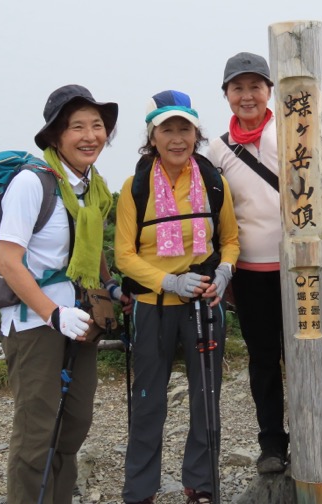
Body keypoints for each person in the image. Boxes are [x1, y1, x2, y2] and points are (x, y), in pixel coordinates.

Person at [0, 84, 123, 503]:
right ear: (55, 135)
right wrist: (54, 314)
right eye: (77, 127)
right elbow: (8, 262)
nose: (91, 136)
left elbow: (87, 246)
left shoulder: (92, 187)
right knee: (37, 432)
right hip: (35, 324)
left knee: (73, 427)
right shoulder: (31, 183)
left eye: (97, 126)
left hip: (81, 320)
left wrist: (110, 285)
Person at [115, 90, 240, 504]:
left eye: (184, 129)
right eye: (166, 129)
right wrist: (169, 282)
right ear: (152, 137)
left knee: (206, 399)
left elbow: (230, 240)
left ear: (195, 134)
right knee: (148, 401)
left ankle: (200, 485)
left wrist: (223, 272)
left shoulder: (213, 182)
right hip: (153, 306)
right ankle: (140, 491)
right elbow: (124, 256)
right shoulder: (134, 188)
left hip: (205, 304)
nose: (176, 138)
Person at [205, 52, 290, 474]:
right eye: (237, 87)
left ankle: (314, 437)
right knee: (263, 360)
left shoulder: (292, 129)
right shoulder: (217, 150)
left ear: (270, 90)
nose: (247, 95)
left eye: (255, 86)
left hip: (301, 270)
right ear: (226, 94)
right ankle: (271, 443)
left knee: (308, 356)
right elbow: (211, 212)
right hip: (252, 273)